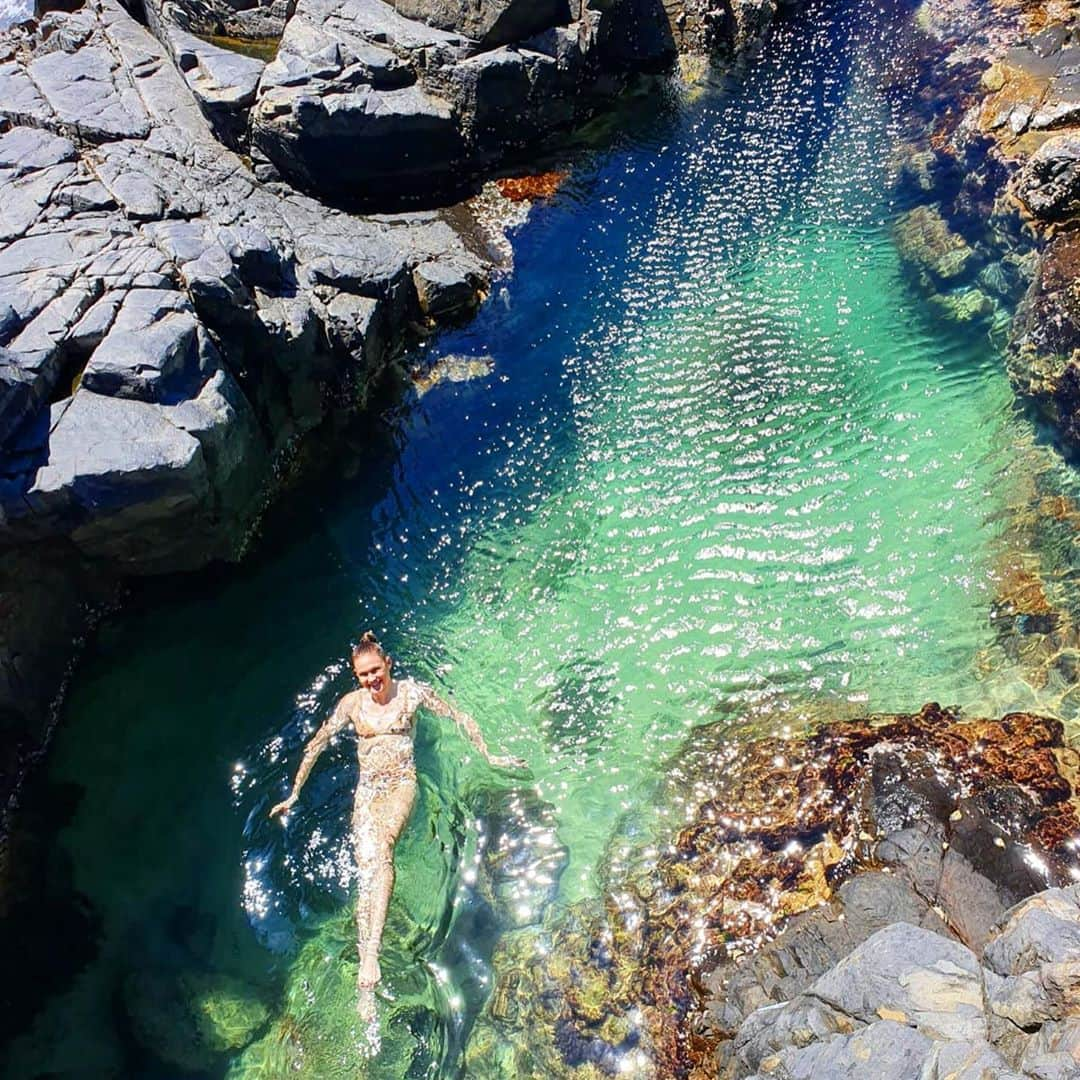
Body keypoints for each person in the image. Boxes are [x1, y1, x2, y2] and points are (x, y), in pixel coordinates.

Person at [269, 631, 526, 1002]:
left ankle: (371, 954)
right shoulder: (352, 705)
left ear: (388, 664)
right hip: (368, 788)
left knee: (383, 848)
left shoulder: (411, 693)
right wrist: (295, 792)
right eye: (363, 675)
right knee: (366, 865)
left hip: (401, 784)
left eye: (376, 670)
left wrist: (490, 756)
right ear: (355, 676)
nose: (372, 680)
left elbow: (459, 716)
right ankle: (364, 975)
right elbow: (318, 744)